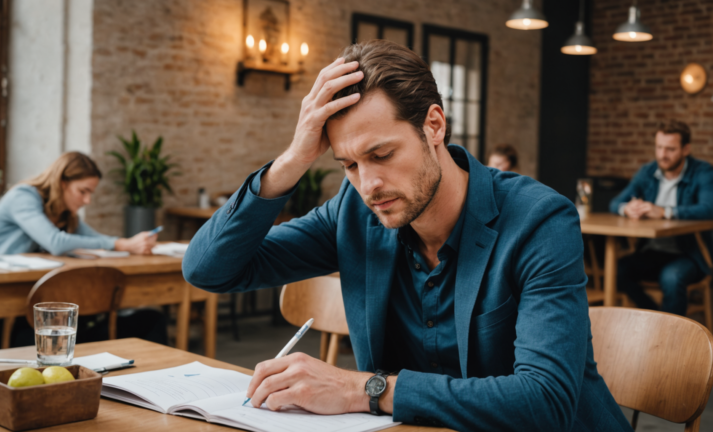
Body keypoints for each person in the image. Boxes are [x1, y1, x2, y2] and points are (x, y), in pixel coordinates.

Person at [183, 40, 630, 431]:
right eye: (350, 165)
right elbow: (208, 269)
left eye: (382, 154)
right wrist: (292, 161)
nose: (369, 184)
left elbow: (544, 403)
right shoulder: (354, 213)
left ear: (433, 125)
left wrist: (367, 389)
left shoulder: (540, 221)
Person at [0, 152, 167, 353]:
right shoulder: (23, 196)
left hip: (18, 299)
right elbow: (55, 242)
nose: (87, 201)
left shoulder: (65, 214)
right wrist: (122, 244)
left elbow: (95, 241)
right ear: (62, 183)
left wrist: (129, 243)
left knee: (140, 322)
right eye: (83, 191)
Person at [610, 120, 713, 315]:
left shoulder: (703, 172)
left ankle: (671, 340)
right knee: (617, 270)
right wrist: (627, 209)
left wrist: (665, 211)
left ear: (686, 149)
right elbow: (615, 203)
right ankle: (655, 316)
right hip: (653, 251)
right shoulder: (647, 171)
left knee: (671, 278)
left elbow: (709, 209)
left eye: (670, 149)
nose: (662, 155)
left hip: (689, 254)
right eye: (659, 147)